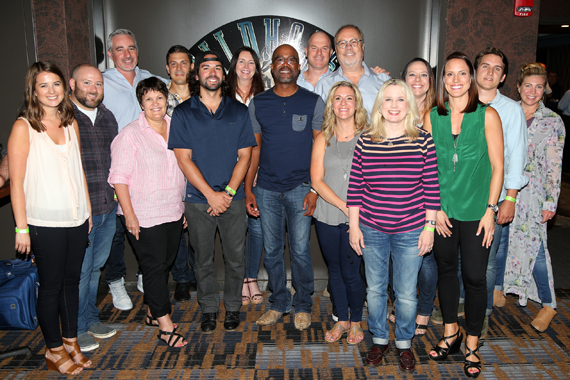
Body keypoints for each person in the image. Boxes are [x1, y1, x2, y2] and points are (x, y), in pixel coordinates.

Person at [348, 79, 440, 372]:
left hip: (412, 229)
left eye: (401, 100)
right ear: (380, 105)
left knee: (406, 292)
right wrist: (353, 226)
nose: (394, 106)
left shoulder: (423, 139)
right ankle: (378, 339)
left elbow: (432, 189)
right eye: (388, 100)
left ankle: (403, 343)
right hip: (372, 228)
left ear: (409, 104)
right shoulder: (366, 139)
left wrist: (429, 227)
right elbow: (355, 188)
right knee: (374, 290)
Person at [8, 61, 92, 375]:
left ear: (64, 87)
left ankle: (70, 341)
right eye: (43, 85)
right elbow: (16, 182)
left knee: (71, 284)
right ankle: (54, 349)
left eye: (56, 83)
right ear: (33, 90)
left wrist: (86, 212)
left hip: (76, 218)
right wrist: (21, 227)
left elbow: (78, 168)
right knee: (51, 287)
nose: (51, 90)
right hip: (44, 222)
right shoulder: (23, 126)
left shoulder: (71, 122)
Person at [424, 52, 504, 378]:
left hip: (476, 213)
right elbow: (425, 168)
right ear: (443, 80)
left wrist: (491, 210)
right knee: (445, 273)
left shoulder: (488, 115)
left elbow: (499, 167)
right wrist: (434, 208)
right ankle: (450, 333)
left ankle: (472, 343)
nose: (455, 80)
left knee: (473, 278)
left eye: (462, 74)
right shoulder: (433, 116)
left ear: (470, 78)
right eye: (449, 75)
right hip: (443, 212)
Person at [170, 51, 256, 334]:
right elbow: (184, 159)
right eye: (206, 68)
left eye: (217, 68)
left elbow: (245, 155)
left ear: (223, 74)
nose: (212, 73)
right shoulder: (183, 112)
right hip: (198, 200)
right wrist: (210, 194)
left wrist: (228, 192)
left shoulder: (239, 111)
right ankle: (208, 309)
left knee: (235, 258)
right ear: (197, 75)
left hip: (232, 199)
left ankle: (232, 308)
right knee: (202, 259)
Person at [247, 44, 324, 330]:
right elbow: (254, 149)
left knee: (301, 250)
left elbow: (321, 148)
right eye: (280, 59)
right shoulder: (259, 103)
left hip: (300, 187)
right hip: (266, 189)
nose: (285, 64)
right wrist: (248, 189)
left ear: (298, 66)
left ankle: (303, 303)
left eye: (291, 60)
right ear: (272, 67)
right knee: (272, 250)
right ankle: (280, 302)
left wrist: (315, 190)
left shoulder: (313, 101)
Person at [108, 77, 187, 348]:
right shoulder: (129, 134)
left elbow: (182, 170)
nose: (155, 104)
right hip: (143, 214)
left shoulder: (176, 127)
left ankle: (154, 312)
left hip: (173, 211)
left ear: (167, 100)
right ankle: (165, 327)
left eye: (160, 98)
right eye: (149, 99)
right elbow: (118, 177)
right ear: (141, 103)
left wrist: (183, 206)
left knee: (163, 265)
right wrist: (129, 215)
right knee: (153, 268)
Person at [103, 28, 167, 310]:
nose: (126, 54)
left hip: (151, 172)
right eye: (119, 49)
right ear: (110, 54)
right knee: (118, 230)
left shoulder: (153, 80)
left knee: (149, 229)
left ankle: (144, 274)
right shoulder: (100, 83)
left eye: (131, 48)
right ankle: (116, 282)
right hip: (117, 167)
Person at [504, 63, 565, 332]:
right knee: (502, 241)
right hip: (504, 190)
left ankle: (549, 304)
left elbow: (555, 165)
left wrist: (551, 202)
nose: (532, 91)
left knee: (537, 249)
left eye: (539, 87)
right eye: (528, 85)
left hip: (535, 194)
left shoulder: (552, 121)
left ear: (545, 90)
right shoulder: (506, 112)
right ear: (518, 86)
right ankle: (501, 288)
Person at [472, 48, 529, 337]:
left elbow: (517, 155)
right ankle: (460, 309)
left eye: (497, 69)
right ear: (476, 70)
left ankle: (481, 316)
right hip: (461, 196)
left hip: (492, 199)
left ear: (504, 77)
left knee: (486, 260)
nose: (490, 72)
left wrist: (510, 198)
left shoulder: (511, 110)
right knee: (459, 259)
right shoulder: (458, 104)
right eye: (485, 66)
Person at [311, 81, 367, 344]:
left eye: (349, 98)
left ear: (357, 103)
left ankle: (356, 321)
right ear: (331, 105)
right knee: (334, 270)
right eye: (337, 99)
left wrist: (353, 210)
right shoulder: (323, 137)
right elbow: (316, 180)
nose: (343, 104)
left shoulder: (369, 136)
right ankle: (341, 320)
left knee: (351, 272)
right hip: (327, 214)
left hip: (360, 218)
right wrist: (343, 205)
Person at [69, 64, 119, 352]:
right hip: (80, 213)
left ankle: (90, 318)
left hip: (107, 208)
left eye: (98, 84)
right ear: (72, 83)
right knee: (80, 272)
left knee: (95, 269)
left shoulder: (107, 117)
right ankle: (75, 329)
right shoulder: (63, 117)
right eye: (87, 83)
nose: (93, 89)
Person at [227, 46, 266, 306]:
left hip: (260, 172)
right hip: (229, 172)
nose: (246, 66)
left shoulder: (264, 96)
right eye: (241, 61)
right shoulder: (222, 95)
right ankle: (240, 279)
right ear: (234, 65)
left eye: (250, 62)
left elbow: (264, 141)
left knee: (258, 228)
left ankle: (252, 277)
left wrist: (254, 175)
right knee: (235, 230)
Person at [165, 44, 197, 303]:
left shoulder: (203, 95)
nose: (179, 68)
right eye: (173, 64)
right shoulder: (159, 98)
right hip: (170, 170)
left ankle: (197, 273)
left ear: (191, 66)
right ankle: (182, 279)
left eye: (183, 63)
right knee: (176, 227)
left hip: (201, 170)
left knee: (199, 225)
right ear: (167, 68)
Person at [315, 24, 391, 114]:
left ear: (362, 46)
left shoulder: (383, 81)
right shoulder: (323, 86)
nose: (348, 47)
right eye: (342, 43)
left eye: (354, 42)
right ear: (336, 49)